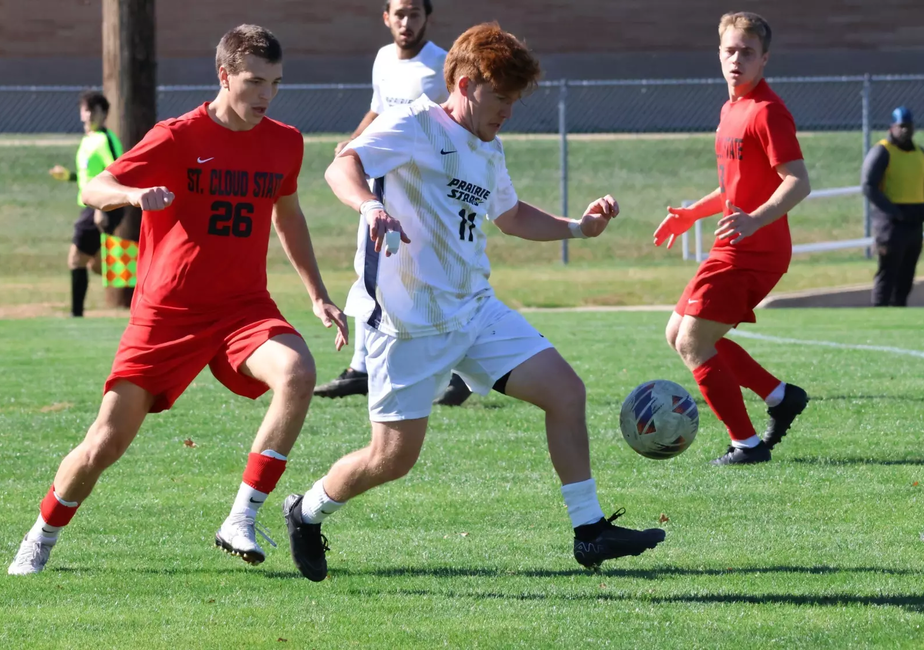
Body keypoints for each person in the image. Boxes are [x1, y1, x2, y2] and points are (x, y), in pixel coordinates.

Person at [283, 22, 665, 582]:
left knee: (566, 392)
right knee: (391, 459)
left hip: (474, 310)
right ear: (464, 84)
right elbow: (340, 165)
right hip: (407, 325)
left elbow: (509, 216)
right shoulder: (412, 123)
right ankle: (307, 510)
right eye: (501, 97)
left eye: (514, 99)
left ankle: (590, 532)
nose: (508, 110)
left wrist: (579, 229)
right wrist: (368, 206)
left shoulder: (489, 147)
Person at [8, 24, 349, 576]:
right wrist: (133, 194)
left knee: (298, 372)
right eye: (254, 81)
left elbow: (287, 214)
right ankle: (42, 532)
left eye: (276, 84)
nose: (265, 95)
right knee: (104, 444)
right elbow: (96, 186)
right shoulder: (176, 137)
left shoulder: (285, 141)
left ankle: (241, 516)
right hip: (167, 315)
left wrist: (317, 294)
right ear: (224, 76)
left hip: (243, 307)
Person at [653, 12, 812, 465]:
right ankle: (779, 396)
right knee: (676, 334)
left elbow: (797, 181)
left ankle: (746, 443)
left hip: (757, 250)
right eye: (729, 51)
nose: (736, 59)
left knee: (692, 342)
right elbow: (734, 187)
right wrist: (691, 214)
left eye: (747, 52)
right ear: (718, 54)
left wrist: (756, 220)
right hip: (733, 244)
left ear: (764, 58)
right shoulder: (730, 110)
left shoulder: (768, 112)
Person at [317, 0, 472, 407]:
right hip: (381, 182)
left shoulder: (442, 64)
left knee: (437, 271)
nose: (406, 22)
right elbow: (378, 109)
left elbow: (459, 120)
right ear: (386, 18)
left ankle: (459, 373)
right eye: (399, 13)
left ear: (427, 17)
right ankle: (361, 369)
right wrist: (353, 142)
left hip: (425, 190)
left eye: (414, 13)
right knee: (371, 270)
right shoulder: (384, 58)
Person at [48, 91, 125, 317]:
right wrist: (69, 177)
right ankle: (148, 276)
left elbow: (118, 171)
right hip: (89, 206)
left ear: (105, 114)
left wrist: (101, 209)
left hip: (99, 207)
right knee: (97, 265)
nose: (89, 114)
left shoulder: (105, 139)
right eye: (86, 109)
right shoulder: (87, 141)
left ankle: (76, 315)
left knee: (76, 258)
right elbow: (90, 177)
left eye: (95, 110)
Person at [862, 106, 924, 307]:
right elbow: (868, 186)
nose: (905, 131)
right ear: (892, 127)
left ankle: (900, 310)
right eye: (901, 126)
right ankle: (880, 311)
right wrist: (893, 211)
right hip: (891, 224)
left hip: (915, 220)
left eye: (908, 126)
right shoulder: (882, 151)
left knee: (907, 273)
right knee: (888, 272)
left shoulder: (920, 153)